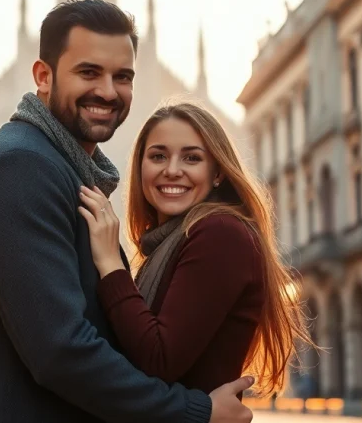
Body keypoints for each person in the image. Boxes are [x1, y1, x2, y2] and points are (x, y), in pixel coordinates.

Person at [0, 0, 254, 423]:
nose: (107, 91)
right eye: (88, 72)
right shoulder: (19, 167)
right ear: (43, 76)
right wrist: (193, 410)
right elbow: (60, 351)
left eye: (122, 77)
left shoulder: (63, 170)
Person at [77, 102, 311, 398]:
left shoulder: (220, 233)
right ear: (140, 168)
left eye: (191, 158)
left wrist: (110, 263)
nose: (172, 170)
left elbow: (158, 360)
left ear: (217, 173)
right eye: (158, 156)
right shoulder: (169, 242)